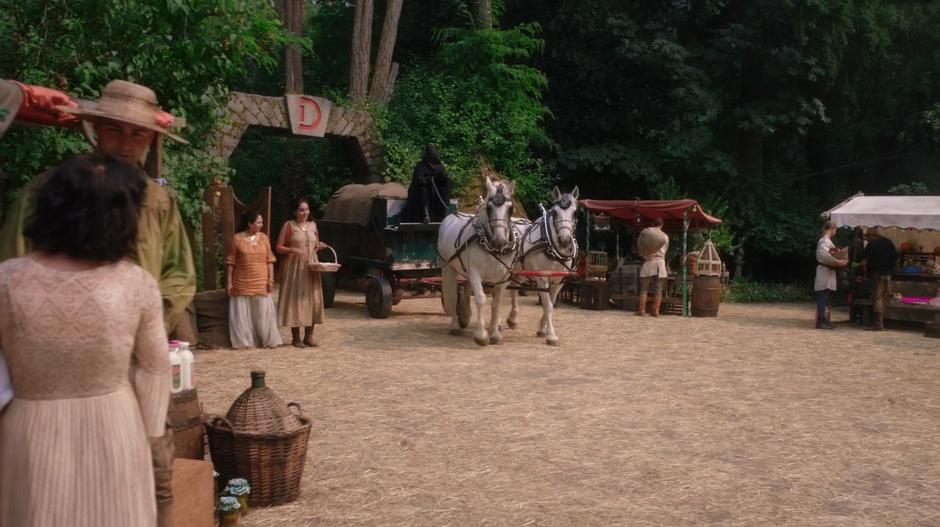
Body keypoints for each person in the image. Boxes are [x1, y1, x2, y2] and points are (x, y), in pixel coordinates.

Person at [0, 79, 193, 527]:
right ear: (92, 130)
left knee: (151, 481)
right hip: (38, 383)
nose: (124, 143)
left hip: (133, 372)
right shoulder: (48, 193)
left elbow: (180, 274)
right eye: (113, 130)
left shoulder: (159, 201)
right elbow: (13, 264)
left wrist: (131, 325)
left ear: (150, 140)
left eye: (137, 134)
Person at [276, 197, 327, 347]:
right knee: (296, 299)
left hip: (311, 265)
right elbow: (278, 247)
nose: (305, 212)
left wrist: (319, 246)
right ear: (295, 211)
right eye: (301, 210)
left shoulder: (313, 225)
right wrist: (292, 249)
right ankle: (296, 337)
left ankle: (309, 336)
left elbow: (314, 245)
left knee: (312, 298)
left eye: (307, 209)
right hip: (295, 267)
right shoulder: (289, 225)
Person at [226, 210, 282, 348]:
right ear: (250, 224)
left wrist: (270, 280)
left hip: (260, 281)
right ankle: (245, 342)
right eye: (258, 222)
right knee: (242, 314)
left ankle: (266, 340)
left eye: (261, 222)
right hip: (241, 281)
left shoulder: (263, 238)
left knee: (263, 313)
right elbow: (231, 262)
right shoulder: (237, 239)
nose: (261, 225)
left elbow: (270, 260)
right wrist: (228, 282)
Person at [403, 144, 453, 223]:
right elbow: (418, 179)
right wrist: (427, 180)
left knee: (443, 190)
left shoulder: (439, 166)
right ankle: (425, 215)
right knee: (423, 191)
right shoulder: (420, 166)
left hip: (435, 191)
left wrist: (447, 178)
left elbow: (443, 177)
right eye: (430, 154)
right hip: (421, 191)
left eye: (433, 154)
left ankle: (442, 215)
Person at [861, 228, 898, 331]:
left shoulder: (872, 244)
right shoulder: (889, 242)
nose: (867, 240)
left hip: (877, 273)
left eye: (867, 238)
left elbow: (864, 263)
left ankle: (878, 324)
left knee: (877, 298)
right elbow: (895, 257)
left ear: (871, 236)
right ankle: (880, 322)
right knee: (882, 298)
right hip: (888, 274)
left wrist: (864, 272)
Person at [814, 220, 848, 329]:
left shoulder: (828, 241)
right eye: (836, 229)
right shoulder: (824, 241)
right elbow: (824, 255)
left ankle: (825, 319)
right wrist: (838, 262)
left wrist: (840, 258)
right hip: (824, 270)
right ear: (832, 228)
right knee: (823, 295)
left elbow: (831, 253)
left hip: (828, 271)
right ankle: (821, 320)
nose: (836, 232)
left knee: (826, 295)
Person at [636, 218, 670, 317]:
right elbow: (666, 249)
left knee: (644, 288)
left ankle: (641, 310)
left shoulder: (647, 233)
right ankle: (656, 311)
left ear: (652, 223)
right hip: (660, 263)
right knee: (658, 289)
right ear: (662, 225)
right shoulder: (665, 236)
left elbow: (641, 246)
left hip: (649, 262)